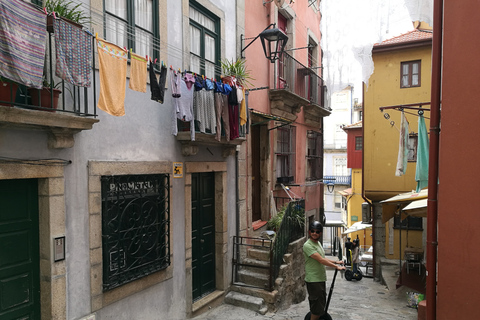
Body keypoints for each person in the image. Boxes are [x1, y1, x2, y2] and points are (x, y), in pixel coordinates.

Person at [303, 221, 345, 320]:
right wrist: (336, 267)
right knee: (316, 309)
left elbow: (323, 258)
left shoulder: (318, 244)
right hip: (313, 280)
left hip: (320, 279)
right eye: (312, 231)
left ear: (320, 233)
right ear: (309, 232)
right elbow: (321, 260)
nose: (314, 233)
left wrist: (336, 263)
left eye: (317, 232)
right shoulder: (307, 245)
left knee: (320, 305)